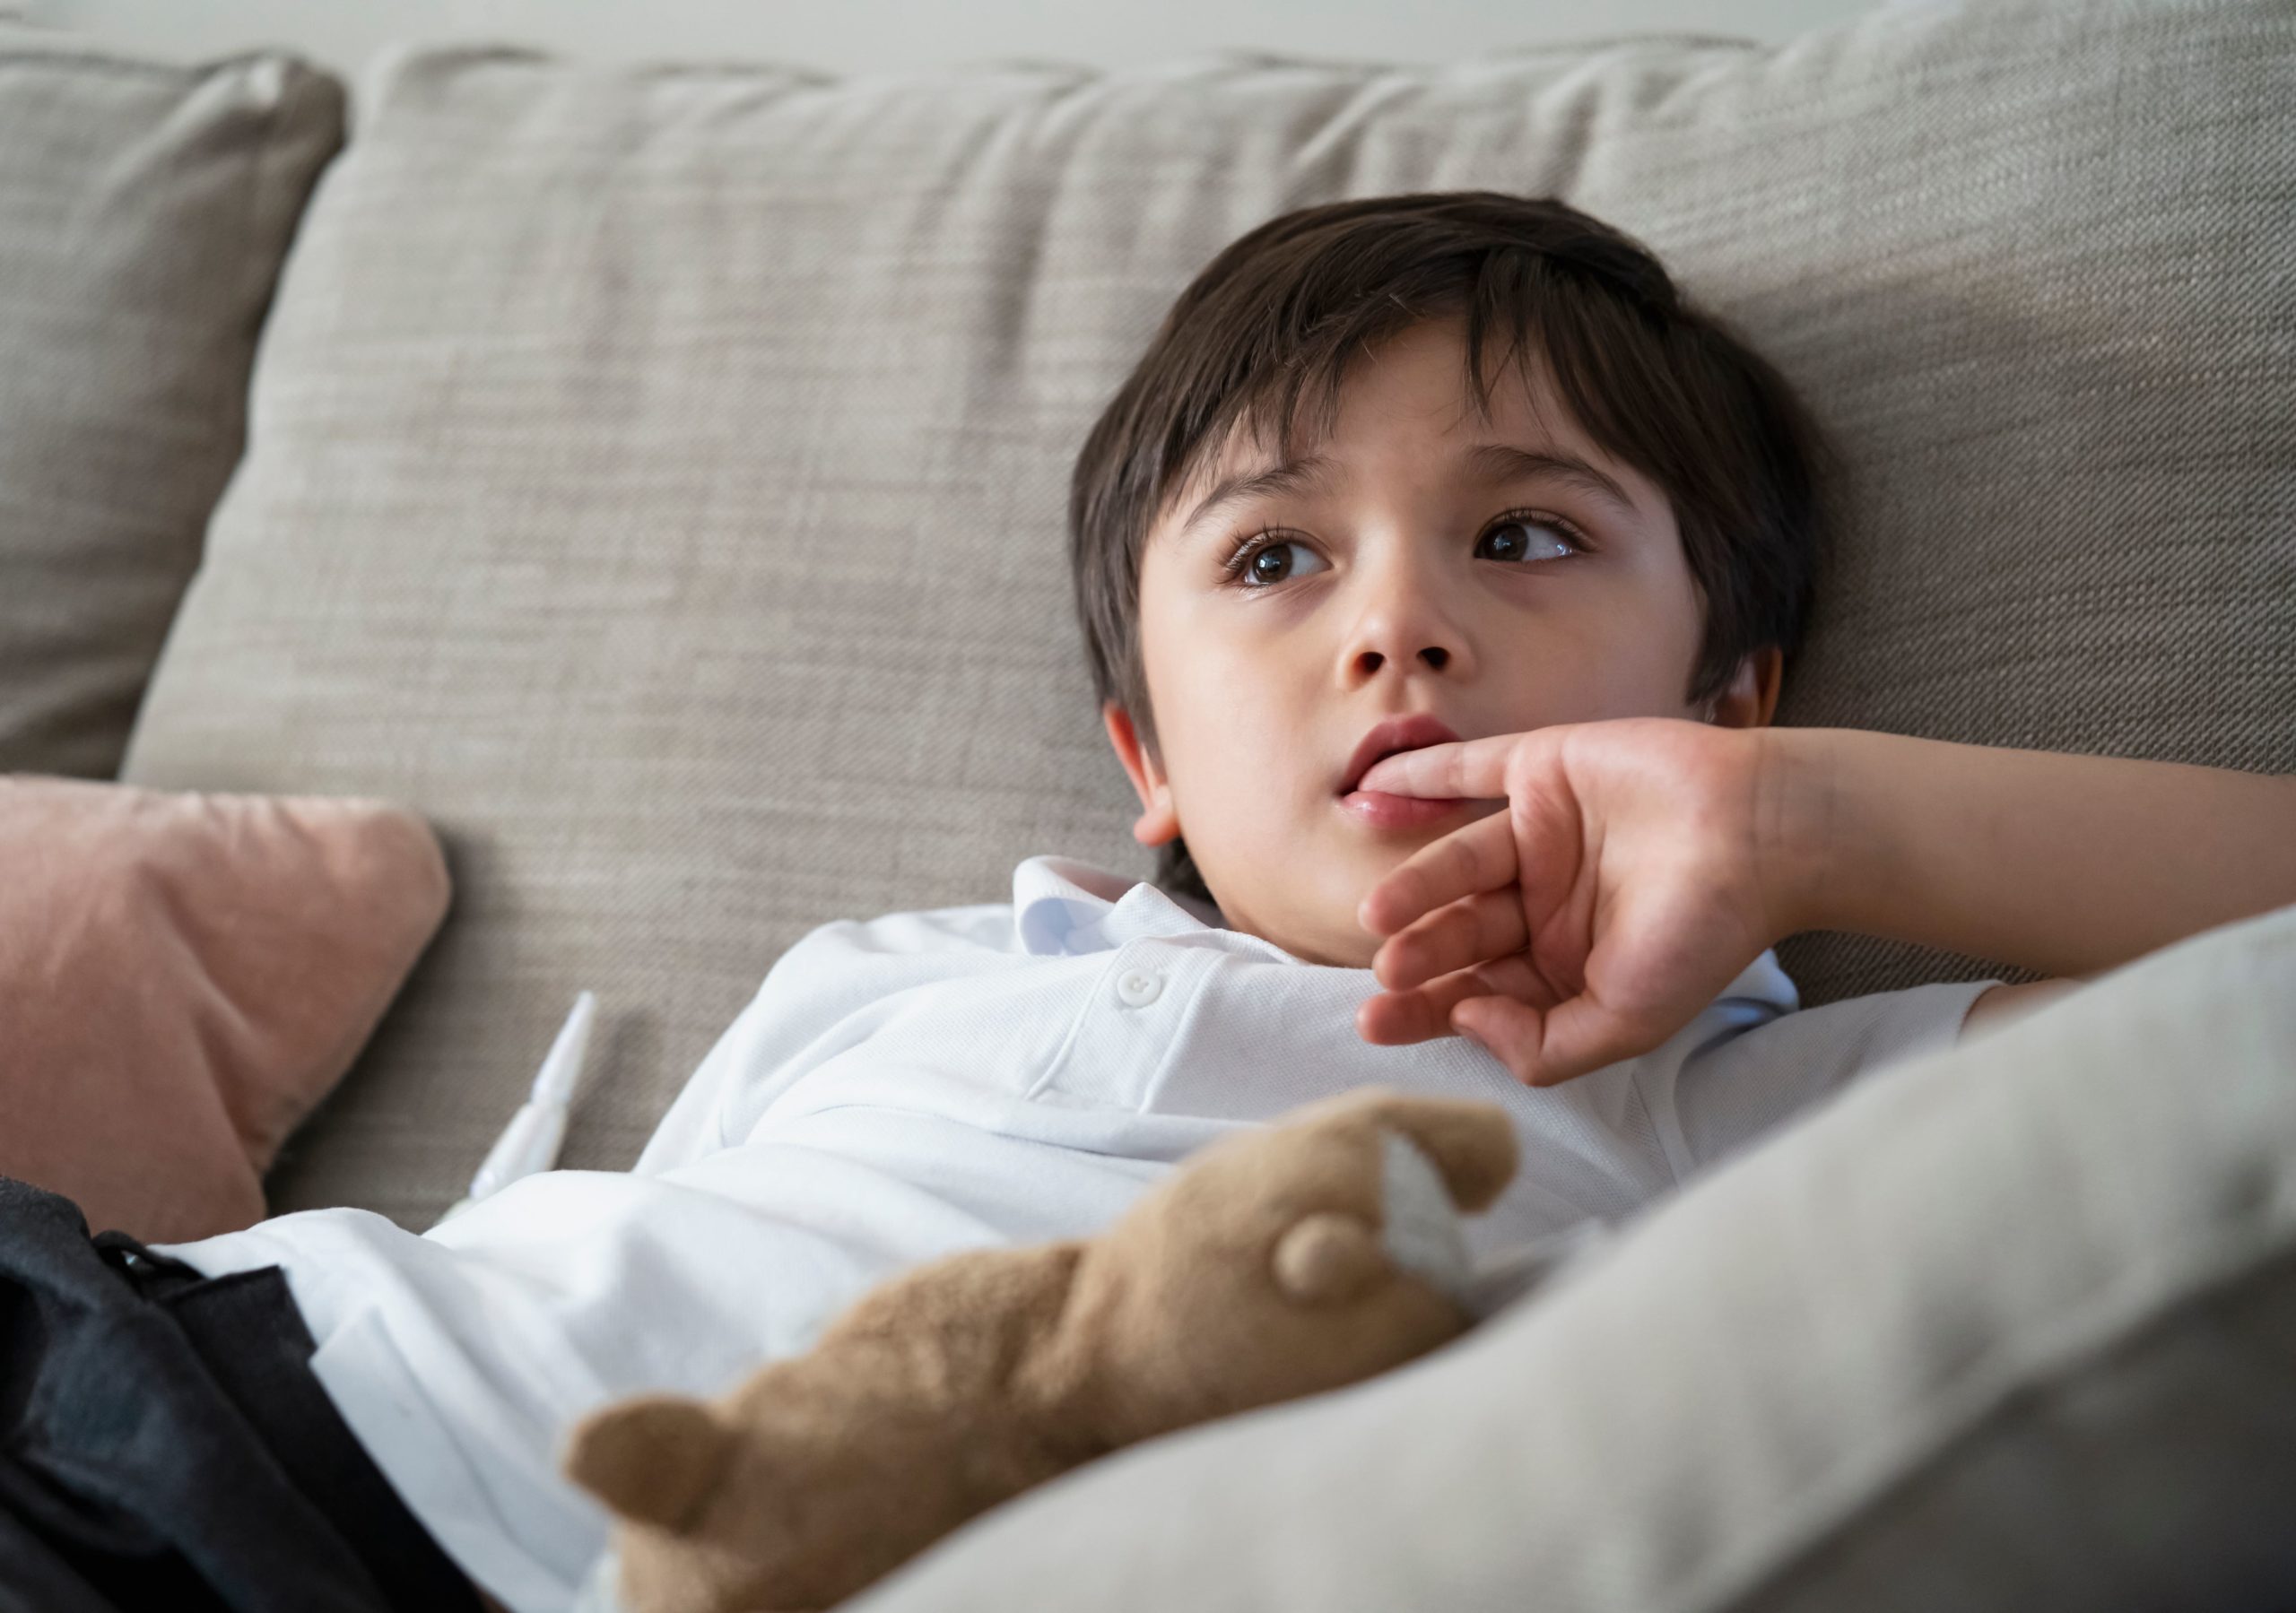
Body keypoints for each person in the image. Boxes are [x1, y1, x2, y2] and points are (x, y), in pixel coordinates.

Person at [9, 192, 2291, 1613]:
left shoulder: (1727, 1102)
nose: (1393, 628)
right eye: (1275, 560)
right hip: (181, 1329)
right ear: (1150, 767)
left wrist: (1796, 820)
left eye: (1525, 537)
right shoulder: (903, 971)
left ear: (1730, 680)